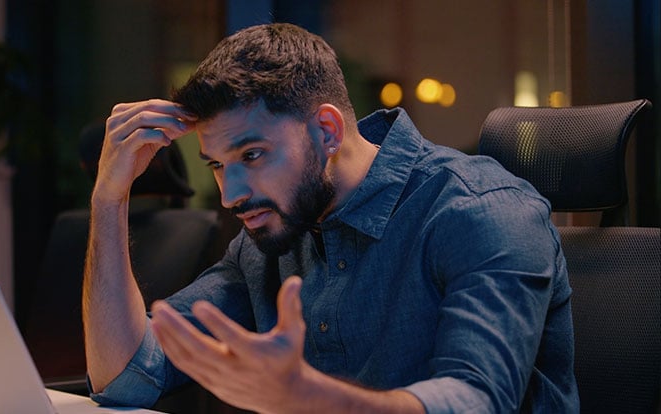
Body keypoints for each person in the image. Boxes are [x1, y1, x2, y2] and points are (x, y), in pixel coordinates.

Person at [82, 23, 578, 413]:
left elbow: (480, 401)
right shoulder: (271, 234)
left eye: (252, 155)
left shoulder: (480, 209)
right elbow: (127, 378)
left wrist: (308, 399)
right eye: (217, 165)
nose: (230, 195)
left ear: (326, 130)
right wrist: (109, 197)